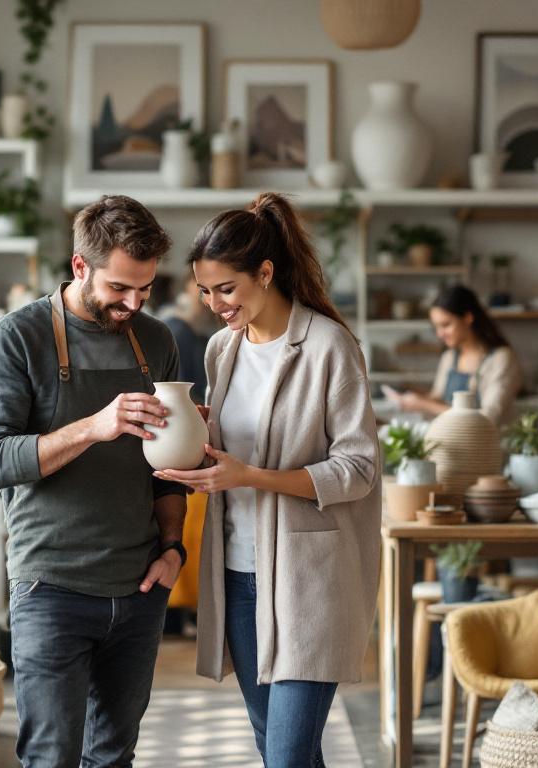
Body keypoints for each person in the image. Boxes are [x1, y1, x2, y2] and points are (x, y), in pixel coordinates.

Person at [154, 192, 381, 767]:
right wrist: (201, 438)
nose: (214, 304)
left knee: (285, 756)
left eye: (226, 288)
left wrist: (251, 475)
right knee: (280, 750)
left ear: (266, 272)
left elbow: (358, 469)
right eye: (205, 291)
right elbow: (234, 448)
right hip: (238, 575)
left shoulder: (329, 346)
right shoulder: (220, 351)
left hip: (309, 580)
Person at [0, 195, 189, 767]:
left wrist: (172, 548)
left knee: (115, 756)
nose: (133, 303)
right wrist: (95, 425)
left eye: (145, 288)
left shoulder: (157, 340)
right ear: (79, 267)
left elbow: (167, 473)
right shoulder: (16, 339)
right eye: (120, 288)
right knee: (52, 755)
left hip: (140, 588)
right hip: (51, 587)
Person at [395, 283, 521, 426]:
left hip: (488, 444)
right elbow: (438, 398)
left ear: (467, 318)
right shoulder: (449, 357)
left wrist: (425, 405)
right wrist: (417, 400)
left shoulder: (501, 358)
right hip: (451, 440)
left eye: (446, 325)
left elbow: (488, 418)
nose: (439, 334)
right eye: (436, 327)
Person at [151, 272, 217, 403]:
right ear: (189, 285)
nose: (210, 293)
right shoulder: (176, 330)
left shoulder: (208, 336)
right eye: (202, 287)